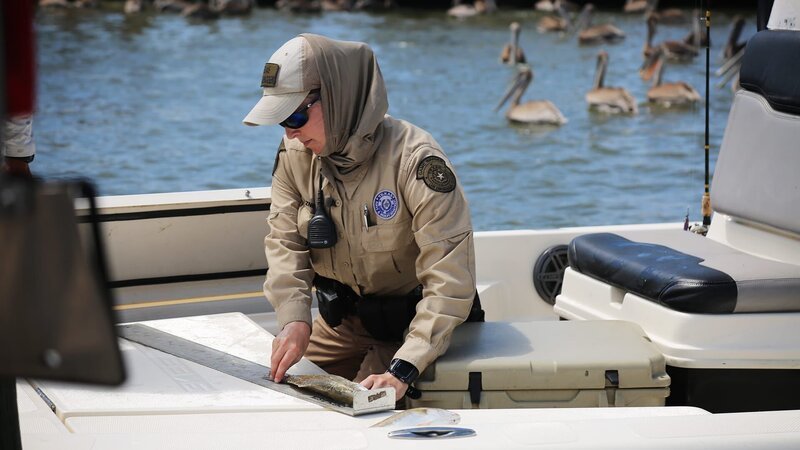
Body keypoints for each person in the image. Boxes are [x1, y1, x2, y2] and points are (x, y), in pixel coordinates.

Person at [243, 34, 482, 401]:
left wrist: (404, 367)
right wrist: (294, 319)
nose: (291, 131)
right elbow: (284, 241)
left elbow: (450, 283)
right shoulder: (294, 153)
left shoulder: (415, 161)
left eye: (297, 115)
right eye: (282, 121)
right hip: (344, 322)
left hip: (415, 327)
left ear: (337, 97)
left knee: (361, 409)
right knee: (271, 391)